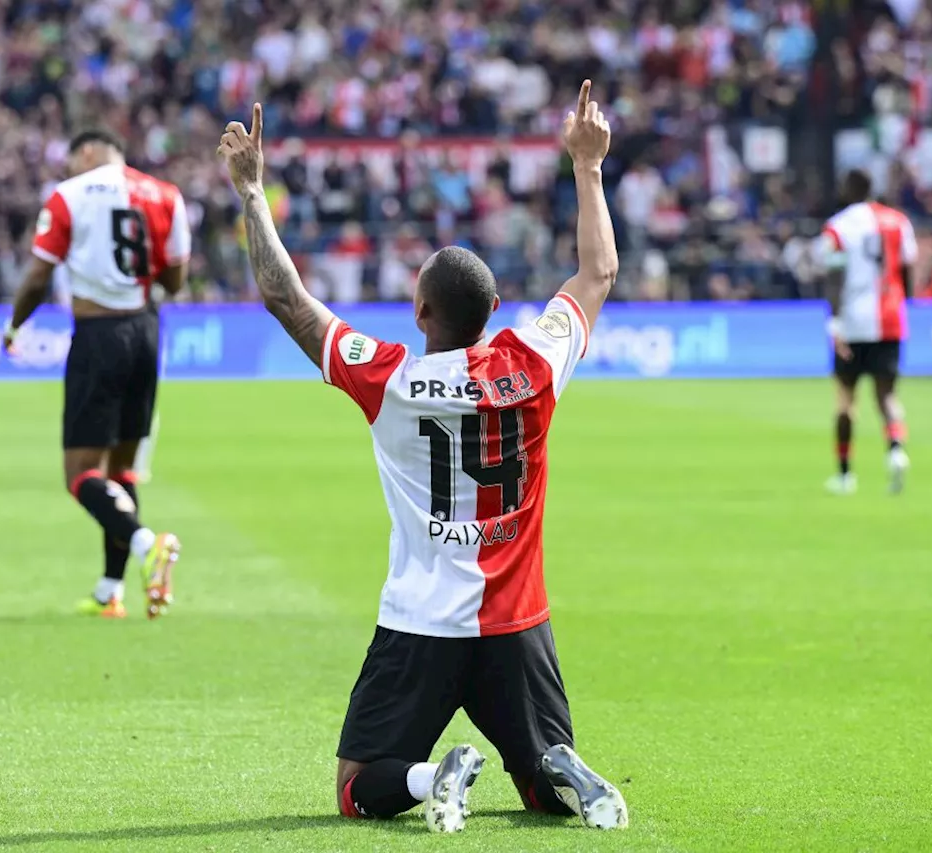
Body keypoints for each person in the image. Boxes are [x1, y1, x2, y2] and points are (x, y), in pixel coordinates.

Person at [216, 81, 628, 833]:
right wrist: (588, 167)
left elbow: (287, 298)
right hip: (517, 623)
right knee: (538, 788)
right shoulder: (534, 365)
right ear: (495, 311)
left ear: (419, 312)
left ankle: (434, 772)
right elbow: (598, 273)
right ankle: (557, 762)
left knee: (357, 785)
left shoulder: (392, 380)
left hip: (420, 624)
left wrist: (252, 193)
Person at [3, 130, 188, 618]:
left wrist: (13, 326)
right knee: (121, 470)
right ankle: (111, 591)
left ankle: (149, 543)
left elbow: (40, 275)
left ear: (85, 152)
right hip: (147, 333)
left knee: (81, 474)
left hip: (98, 335)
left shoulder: (69, 195)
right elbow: (175, 279)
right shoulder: (166, 195)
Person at [819, 169, 917, 495]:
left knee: (846, 400)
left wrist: (833, 321)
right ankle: (895, 450)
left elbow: (834, 276)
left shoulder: (838, 226)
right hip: (890, 317)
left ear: (848, 189)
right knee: (887, 396)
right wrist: (906, 301)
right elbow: (907, 267)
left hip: (853, 320)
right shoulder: (898, 221)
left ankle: (846, 476)